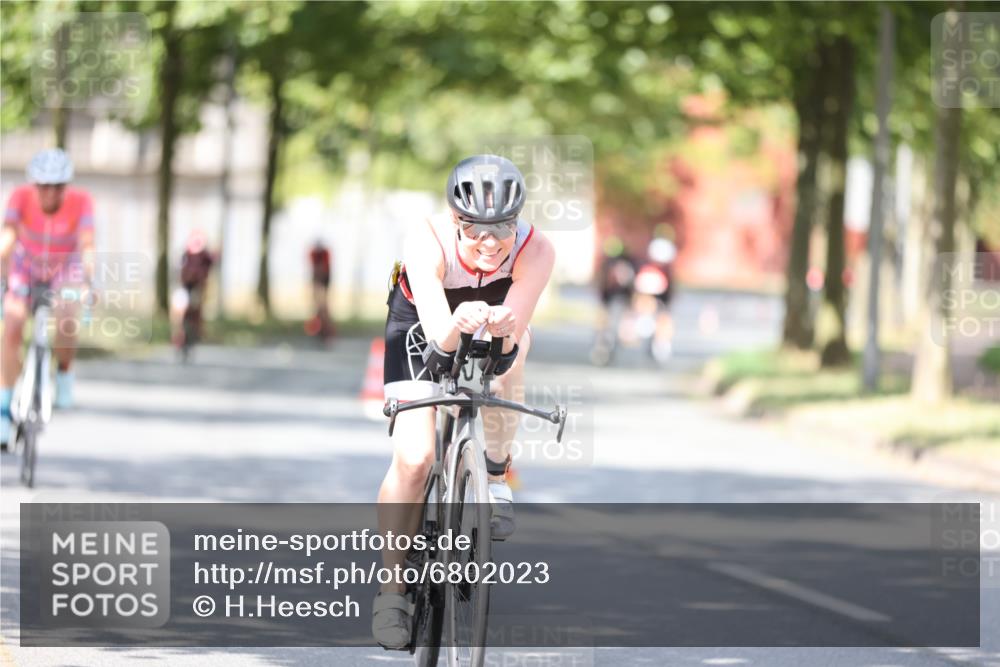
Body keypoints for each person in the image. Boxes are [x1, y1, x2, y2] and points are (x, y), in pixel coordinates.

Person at [372, 155, 555, 649]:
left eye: (503, 228)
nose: (490, 242)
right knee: (415, 458)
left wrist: (499, 329)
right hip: (421, 324)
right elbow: (438, 338)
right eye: (474, 229)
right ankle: (392, 591)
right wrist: (457, 324)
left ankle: (493, 474)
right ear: (455, 219)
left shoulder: (537, 250)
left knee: (514, 359)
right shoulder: (425, 239)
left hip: (493, 316)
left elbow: (513, 333)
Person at [1, 148, 95, 449]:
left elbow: (88, 244)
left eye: (56, 186)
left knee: (67, 317)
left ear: (65, 187)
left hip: (64, 268)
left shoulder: (81, 202)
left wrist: (88, 282)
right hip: (25, 266)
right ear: (34, 185)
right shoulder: (20, 197)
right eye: (43, 186)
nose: (49, 193)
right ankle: (3, 409)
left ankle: (64, 373)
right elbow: (8, 237)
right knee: (12, 324)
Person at [590, 235, 635, 365]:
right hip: (614, 299)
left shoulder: (607, 264)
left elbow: (599, 284)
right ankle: (605, 344)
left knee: (606, 324)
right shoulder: (624, 265)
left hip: (612, 299)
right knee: (609, 324)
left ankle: (604, 344)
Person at [170, 229, 214, 351]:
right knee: (180, 312)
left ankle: (195, 333)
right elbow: (178, 269)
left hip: (198, 287)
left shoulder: (205, 256)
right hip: (185, 287)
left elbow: (211, 263)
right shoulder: (186, 254)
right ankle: (179, 336)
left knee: (195, 310)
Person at [305, 239, 334, 340]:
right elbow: (315, 268)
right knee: (318, 306)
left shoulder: (325, 254)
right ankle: (319, 330)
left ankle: (326, 331)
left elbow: (324, 269)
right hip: (317, 279)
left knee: (323, 306)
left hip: (325, 279)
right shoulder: (313, 253)